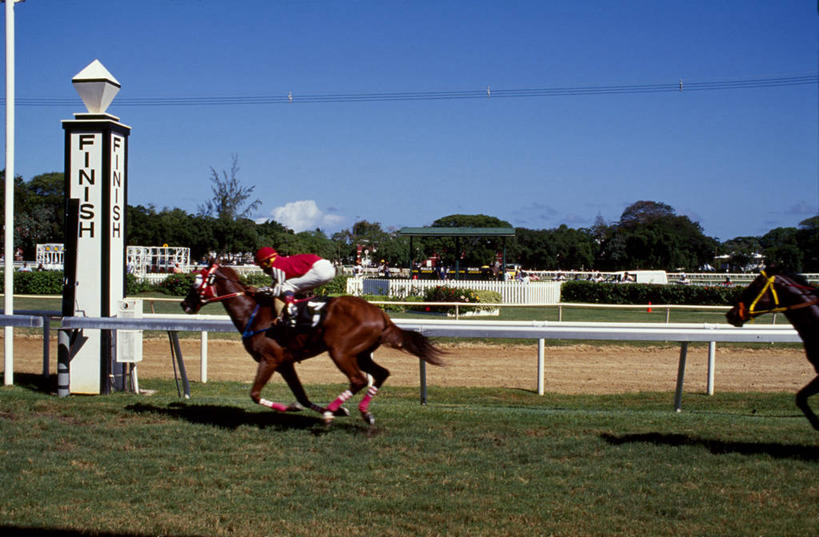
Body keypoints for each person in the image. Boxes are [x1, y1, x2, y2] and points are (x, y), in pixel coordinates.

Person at [252, 247, 336, 325]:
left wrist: (258, 290)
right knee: (297, 288)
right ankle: (306, 301)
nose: (261, 268)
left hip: (320, 270)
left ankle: (291, 314)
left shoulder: (277, 266)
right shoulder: (281, 262)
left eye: (260, 265)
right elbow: (275, 285)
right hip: (326, 268)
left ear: (267, 261)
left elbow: (277, 292)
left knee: (286, 286)